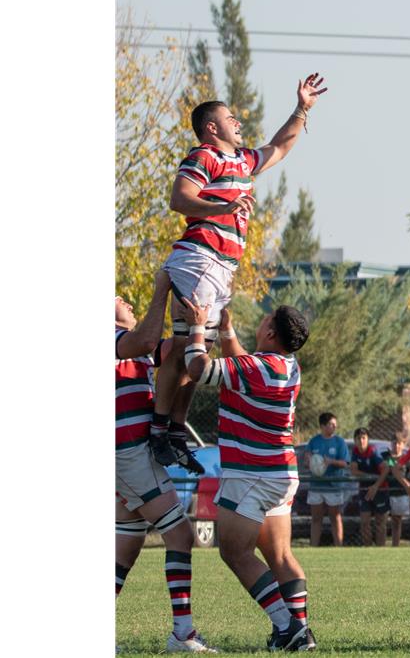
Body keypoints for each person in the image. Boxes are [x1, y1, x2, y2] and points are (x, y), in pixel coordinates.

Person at [150, 76, 328, 473]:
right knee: (184, 349)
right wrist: (224, 206)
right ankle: (160, 432)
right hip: (199, 258)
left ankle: (174, 430)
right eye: (231, 118)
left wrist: (302, 109)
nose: (239, 122)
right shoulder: (204, 156)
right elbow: (180, 199)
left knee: (197, 349)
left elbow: (281, 145)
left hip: (221, 265)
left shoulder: (243, 161)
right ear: (212, 127)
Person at [180, 298, 316, 650]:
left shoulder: (258, 367)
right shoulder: (287, 364)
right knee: (281, 556)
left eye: (265, 319)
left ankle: (288, 628)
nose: (261, 322)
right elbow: (242, 363)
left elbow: (199, 369)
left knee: (234, 553)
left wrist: (197, 326)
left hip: (252, 472)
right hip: (281, 472)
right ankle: (301, 633)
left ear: (270, 331)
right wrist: (226, 331)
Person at [115, 271, 216, 653]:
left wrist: (198, 326)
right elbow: (144, 338)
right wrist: (160, 289)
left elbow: (175, 355)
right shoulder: (114, 339)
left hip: (131, 454)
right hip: (127, 454)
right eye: (117, 297)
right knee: (181, 535)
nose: (125, 299)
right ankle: (183, 634)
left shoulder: (129, 345)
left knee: (125, 548)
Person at [304, 412, 350, 548]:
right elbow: (307, 457)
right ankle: (313, 547)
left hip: (333, 486)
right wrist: (309, 461)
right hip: (316, 486)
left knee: (335, 517)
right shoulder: (314, 441)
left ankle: (338, 547)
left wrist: (331, 462)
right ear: (323, 426)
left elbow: (345, 463)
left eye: (335, 424)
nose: (334, 427)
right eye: (331, 424)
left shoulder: (339, 442)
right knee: (316, 518)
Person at [349, 428, 392, 547]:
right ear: (355, 440)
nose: (361, 441)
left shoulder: (373, 451)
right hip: (365, 490)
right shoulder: (356, 452)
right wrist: (369, 477)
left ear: (368, 439)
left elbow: (386, 469)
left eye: (364, 438)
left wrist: (375, 486)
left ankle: (380, 549)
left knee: (380, 523)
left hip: (381, 490)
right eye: (358, 438)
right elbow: (353, 470)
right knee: (364, 522)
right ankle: (368, 548)